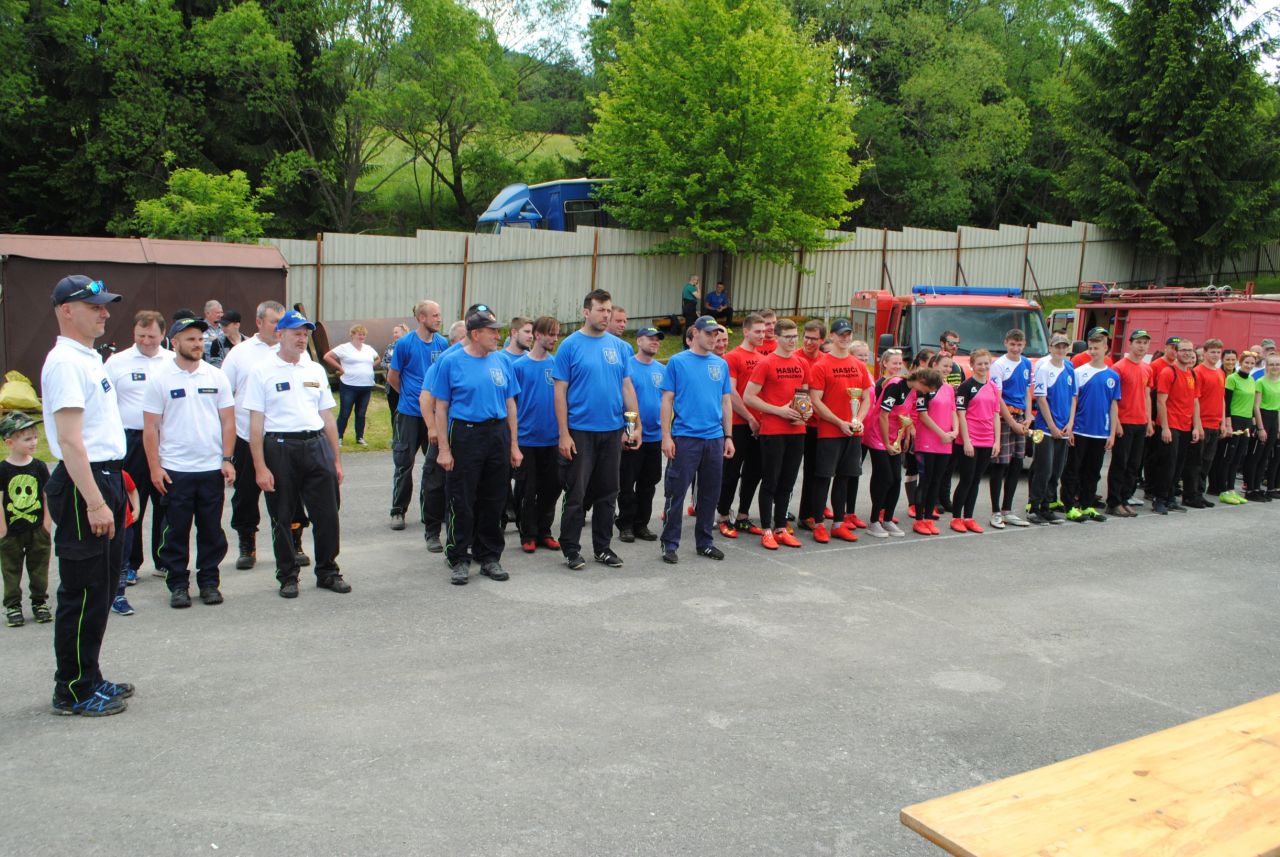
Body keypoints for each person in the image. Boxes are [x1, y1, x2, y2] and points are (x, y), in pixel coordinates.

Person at [42, 274, 132, 716]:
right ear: (66, 310)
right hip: (85, 484)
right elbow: (70, 440)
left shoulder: (89, 358)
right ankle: (72, 690)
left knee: (102, 587)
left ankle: (89, 676)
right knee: (82, 590)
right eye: (94, 306)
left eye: (104, 306)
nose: (105, 313)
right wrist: (95, 501)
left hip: (105, 477)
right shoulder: (65, 363)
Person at [245, 310, 349, 598]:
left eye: (305, 334)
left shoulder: (314, 369)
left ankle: (328, 571)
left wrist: (336, 459)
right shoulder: (262, 371)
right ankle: (288, 575)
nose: (302, 339)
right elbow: (256, 424)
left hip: (315, 444)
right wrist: (260, 467)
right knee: (282, 515)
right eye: (296, 333)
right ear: (280, 335)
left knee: (327, 514)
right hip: (280, 447)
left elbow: (327, 417)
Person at [142, 317, 236, 607]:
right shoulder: (160, 379)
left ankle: (209, 582)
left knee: (211, 530)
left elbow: (228, 421)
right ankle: (178, 585)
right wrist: (155, 467)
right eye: (190, 339)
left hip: (210, 468)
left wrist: (227, 459)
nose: (197, 344)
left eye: (200, 339)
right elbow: (150, 428)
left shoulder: (216, 376)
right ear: (174, 342)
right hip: (176, 470)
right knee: (176, 531)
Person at [432, 311, 522, 585]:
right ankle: (459, 557)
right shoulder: (451, 362)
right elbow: (441, 407)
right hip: (466, 433)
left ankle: (489, 556)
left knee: (494, 499)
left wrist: (514, 445)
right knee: (462, 498)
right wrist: (444, 449)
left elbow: (510, 404)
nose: (498, 335)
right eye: (492, 331)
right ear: (475, 334)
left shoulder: (502, 361)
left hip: (497, 433)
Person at [554, 289, 641, 570]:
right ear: (586, 312)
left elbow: (626, 388)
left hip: (612, 431)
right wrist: (564, 433)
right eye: (601, 310)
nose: (606, 315)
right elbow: (560, 392)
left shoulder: (620, 347)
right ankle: (571, 548)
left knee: (608, 493)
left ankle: (603, 548)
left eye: (609, 310)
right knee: (577, 494)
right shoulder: (570, 346)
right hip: (580, 431)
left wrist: (633, 426)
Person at [222, 300, 309, 571]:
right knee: (246, 494)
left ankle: (294, 542)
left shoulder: (298, 353)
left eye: (283, 323)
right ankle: (247, 543)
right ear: (259, 322)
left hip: (286, 439)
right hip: (249, 437)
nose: (279, 327)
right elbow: (224, 395)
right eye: (274, 322)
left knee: (291, 493)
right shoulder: (240, 354)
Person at [105, 310, 175, 583]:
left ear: (163, 334)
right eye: (140, 335)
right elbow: (106, 404)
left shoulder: (172, 362)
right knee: (132, 503)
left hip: (165, 440)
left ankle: (165, 559)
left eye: (152, 336)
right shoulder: (117, 363)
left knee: (166, 501)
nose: (146, 341)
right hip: (131, 440)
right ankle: (130, 563)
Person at [658, 315, 734, 563]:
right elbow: (667, 399)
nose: (714, 339)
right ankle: (670, 543)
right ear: (696, 333)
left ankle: (705, 543)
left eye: (716, 334)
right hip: (685, 438)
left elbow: (725, 401)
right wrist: (666, 436)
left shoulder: (720, 364)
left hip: (714, 438)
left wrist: (728, 436)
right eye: (709, 334)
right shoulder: (678, 362)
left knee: (710, 494)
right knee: (676, 493)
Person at [386, 300, 448, 539]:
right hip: (409, 414)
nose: (439, 319)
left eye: (439, 315)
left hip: (434, 415)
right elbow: (393, 377)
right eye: (434, 315)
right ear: (421, 318)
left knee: (433, 466)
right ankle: (398, 510)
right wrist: (410, 397)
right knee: (404, 464)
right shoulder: (405, 344)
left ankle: (429, 512)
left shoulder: (442, 344)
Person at [744, 319, 808, 550]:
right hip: (773, 430)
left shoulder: (801, 362)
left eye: (795, 336)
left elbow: (804, 395)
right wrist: (778, 410)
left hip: (797, 430)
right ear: (777, 337)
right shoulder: (766, 363)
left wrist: (805, 413)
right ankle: (767, 530)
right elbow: (749, 397)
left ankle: (781, 527)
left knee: (788, 481)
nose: (792, 341)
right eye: (788, 336)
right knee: (770, 480)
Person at [807, 318, 872, 543]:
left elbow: (866, 397)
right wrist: (838, 422)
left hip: (853, 432)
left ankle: (838, 523)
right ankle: (818, 523)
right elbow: (815, 400)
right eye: (841, 334)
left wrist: (858, 420)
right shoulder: (821, 365)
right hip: (830, 431)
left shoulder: (859, 365)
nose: (845, 338)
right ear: (831, 337)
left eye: (848, 334)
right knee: (823, 478)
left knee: (844, 478)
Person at [865, 363, 938, 538]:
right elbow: (883, 415)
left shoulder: (914, 391)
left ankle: (887, 519)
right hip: (878, 436)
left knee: (897, 479)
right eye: (928, 389)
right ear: (922, 381)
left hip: (894, 437)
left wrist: (904, 436)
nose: (927, 393)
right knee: (885, 478)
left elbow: (905, 415)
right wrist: (886, 443)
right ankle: (874, 521)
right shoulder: (895, 386)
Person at [512, 316, 563, 553]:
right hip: (527, 439)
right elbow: (511, 404)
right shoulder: (519, 366)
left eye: (557, 334)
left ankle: (545, 531)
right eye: (550, 334)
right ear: (537, 335)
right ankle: (528, 533)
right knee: (527, 489)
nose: (554, 338)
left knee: (551, 487)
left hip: (552, 438)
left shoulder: (557, 365)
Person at [1060, 329, 1120, 522]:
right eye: (1091, 348)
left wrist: (1112, 433)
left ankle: (1087, 505)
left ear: (1106, 348)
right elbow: (1073, 401)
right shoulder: (1079, 372)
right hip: (1080, 429)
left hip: (1100, 432)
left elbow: (1113, 405)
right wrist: (1070, 425)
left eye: (1097, 348)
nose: (1093, 352)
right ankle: (1070, 505)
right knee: (1073, 469)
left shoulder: (1113, 376)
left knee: (1093, 471)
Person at [717, 313, 767, 538]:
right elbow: (731, 393)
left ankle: (743, 516)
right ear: (746, 332)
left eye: (764, 331)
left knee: (754, 472)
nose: (762, 335)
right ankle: (723, 516)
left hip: (760, 425)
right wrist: (749, 418)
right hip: (738, 424)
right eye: (757, 331)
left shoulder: (763, 358)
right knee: (731, 472)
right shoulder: (732, 357)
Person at [0, 413, 51, 628]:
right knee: (11, 569)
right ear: (9, 443)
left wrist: (47, 523)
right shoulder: (3, 469)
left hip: (37, 527)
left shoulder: (39, 466)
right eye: (27, 439)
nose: (34, 442)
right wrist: (2, 528)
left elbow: (47, 495)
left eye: (35, 437)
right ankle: (13, 605)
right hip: (11, 530)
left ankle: (39, 602)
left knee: (39, 567)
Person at [618, 327, 666, 543]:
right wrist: (625, 430)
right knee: (627, 482)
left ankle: (641, 524)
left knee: (649, 482)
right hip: (632, 433)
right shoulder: (627, 366)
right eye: (650, 339)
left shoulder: (662, 370)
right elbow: (621, 400)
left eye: (658, 339)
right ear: (639, 341)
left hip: (654, 436)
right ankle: (626, 524)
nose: (655, 342)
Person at [1027, 333, 1077, 525]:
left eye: (1064, 347)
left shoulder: (1070, 369)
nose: (1061, 350)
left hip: (1063, 429)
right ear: (1051, 348)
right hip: (1044, 429)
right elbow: (1041, 399)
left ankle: (1047, 507)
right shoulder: (1044, 369)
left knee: (1056, 471)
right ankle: (1034, 507)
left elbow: (1073, 398)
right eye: (1057, 346)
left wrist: (1070, 424)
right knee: (1043, 469)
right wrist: (1052, 426)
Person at [987, 329, 1035, 529]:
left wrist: (1029, 416)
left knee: (1017, 463)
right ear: (1006, 343)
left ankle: (1008, 510)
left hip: (1021, 417)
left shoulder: (1026, 363)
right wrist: (1012, 422)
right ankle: (995, 511)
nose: (1016, 348)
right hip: (1005, 417)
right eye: (1012, 344)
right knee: (1000, 464)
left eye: (1019, 345)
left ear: (1024, 345)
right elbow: (997, 397)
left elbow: (1027, 391)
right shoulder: (998, 365)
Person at [1104, 329, 1154, 518]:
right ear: (1130, 344)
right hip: (1124, 422)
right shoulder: (1119, 368)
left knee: (1134, 465)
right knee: (1120, 464)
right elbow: (1112, 399)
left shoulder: (1147, 368)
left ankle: (1125, 499)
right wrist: (1116, 422)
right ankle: (1114, 502)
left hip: (1140, 422)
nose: (1142, 346)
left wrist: (1149, 421)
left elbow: (1147, 396)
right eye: (1138, 342)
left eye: (1145, 343)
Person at [1150, 338, 1202, 515]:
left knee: (1179, 465)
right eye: (1183, 350)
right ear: (1176, 352)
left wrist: (1196, 427)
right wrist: (1164, 428)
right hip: (1170, 425)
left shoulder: (1192, 374)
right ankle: (1159, 499)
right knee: (1167, 464)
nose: (1187, 353)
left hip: (1186, 426)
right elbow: (1161, 401)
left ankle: (1170, 498)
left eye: (1190, 350)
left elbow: (1195, 402)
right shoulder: (1168, 372)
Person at [951, 349, 1000, 533]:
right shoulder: (966, 387)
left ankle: (969, 517)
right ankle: (956, 517)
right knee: (967, 479)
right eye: (979, 364)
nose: (983, 367)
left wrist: (996, 441)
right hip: (970, 439)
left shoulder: (993, 387)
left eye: (986, 363)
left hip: (987, 440)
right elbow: (961, 415)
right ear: (972, 365)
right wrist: (966, 441)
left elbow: (996, 415)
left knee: (976, 480)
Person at [909, 354, 957, 535]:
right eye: (945, 366)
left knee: (937, 480)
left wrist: (955, 431)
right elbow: (922, 415)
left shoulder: (949, 388)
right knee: (926, 480)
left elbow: (953, 411)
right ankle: (919, 519)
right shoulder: (924, 387)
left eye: (950, 367)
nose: (947, 369)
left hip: (945, 441)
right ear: (935, 365)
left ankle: (928, 518)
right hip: (928, 440)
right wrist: (941, 433)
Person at [323, 324, 380, 446]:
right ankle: (338, 437)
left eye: (364, 335)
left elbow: (378, 358)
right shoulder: (344, 348)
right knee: (345, 412)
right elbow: (327, 356)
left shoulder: (368, 348)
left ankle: (360, 437)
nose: (362, 337)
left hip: (366, 385)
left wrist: (369, 367)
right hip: (349, 385)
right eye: (359, 334)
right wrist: (339, 368)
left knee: (361, 413)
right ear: (352, 335)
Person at [1184, 338, 1225, 507]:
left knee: (1207, 462)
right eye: (1212, 352)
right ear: (1205, 353)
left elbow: (1222, 399)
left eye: (1218, 352)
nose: (1215, 355)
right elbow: (1195, 400)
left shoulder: (1220, 373)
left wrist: (1223, 422)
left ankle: (1199, 493)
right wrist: (1198, 425)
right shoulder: (1198, 372)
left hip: (1215, 424)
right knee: (1195, 463)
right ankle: (1190, 495)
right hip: (1202, 423)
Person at [796, 320, 827, 530]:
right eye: (806, 337)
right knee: (786, 473)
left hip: (818, 425)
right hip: (796, 423)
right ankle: (779, 515)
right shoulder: (796, 357)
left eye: (813, 339)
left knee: (813, 472)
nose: (808, 342)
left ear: (822, 340)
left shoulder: (825, 360)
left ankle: (808, 514)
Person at [1220, 350, 1258, 503]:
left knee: (1238, 458)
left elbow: (1252, 404)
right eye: (1246, 362)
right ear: (1240, 363)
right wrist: (1228, 423)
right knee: (1229, 457)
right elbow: (1227, 402)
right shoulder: (1232, 379)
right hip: (1234, 420)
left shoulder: (1252, 380)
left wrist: (1253, 423)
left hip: (1246, 421)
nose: (1249, 365)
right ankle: (1223, 490)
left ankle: (1231, 489)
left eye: (1252, 363)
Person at [1247, 353, 1280, 501]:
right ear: (1266, 366)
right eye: (1272, 364)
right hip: (1263, 417)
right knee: (1256, 456)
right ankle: (1251, 489)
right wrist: (1260, 428)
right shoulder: (1260, 382)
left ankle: (1258, 488)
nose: (1275, 367)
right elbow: (1256, 406)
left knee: (1265, 456)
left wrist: (1278, 428)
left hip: (1274, 419)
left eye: (1277, 364)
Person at [383, 323, 408, 429]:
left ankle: (404, 433)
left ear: (404, 333)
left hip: (405, 384)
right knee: (393, 410)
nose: (394, 335)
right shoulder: (391, 346)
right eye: (393, 333)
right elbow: (383, 362)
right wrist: (388, 365)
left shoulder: (409, 346)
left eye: (396, 332)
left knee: (405, 413)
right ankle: (395, 434)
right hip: (391, 385)